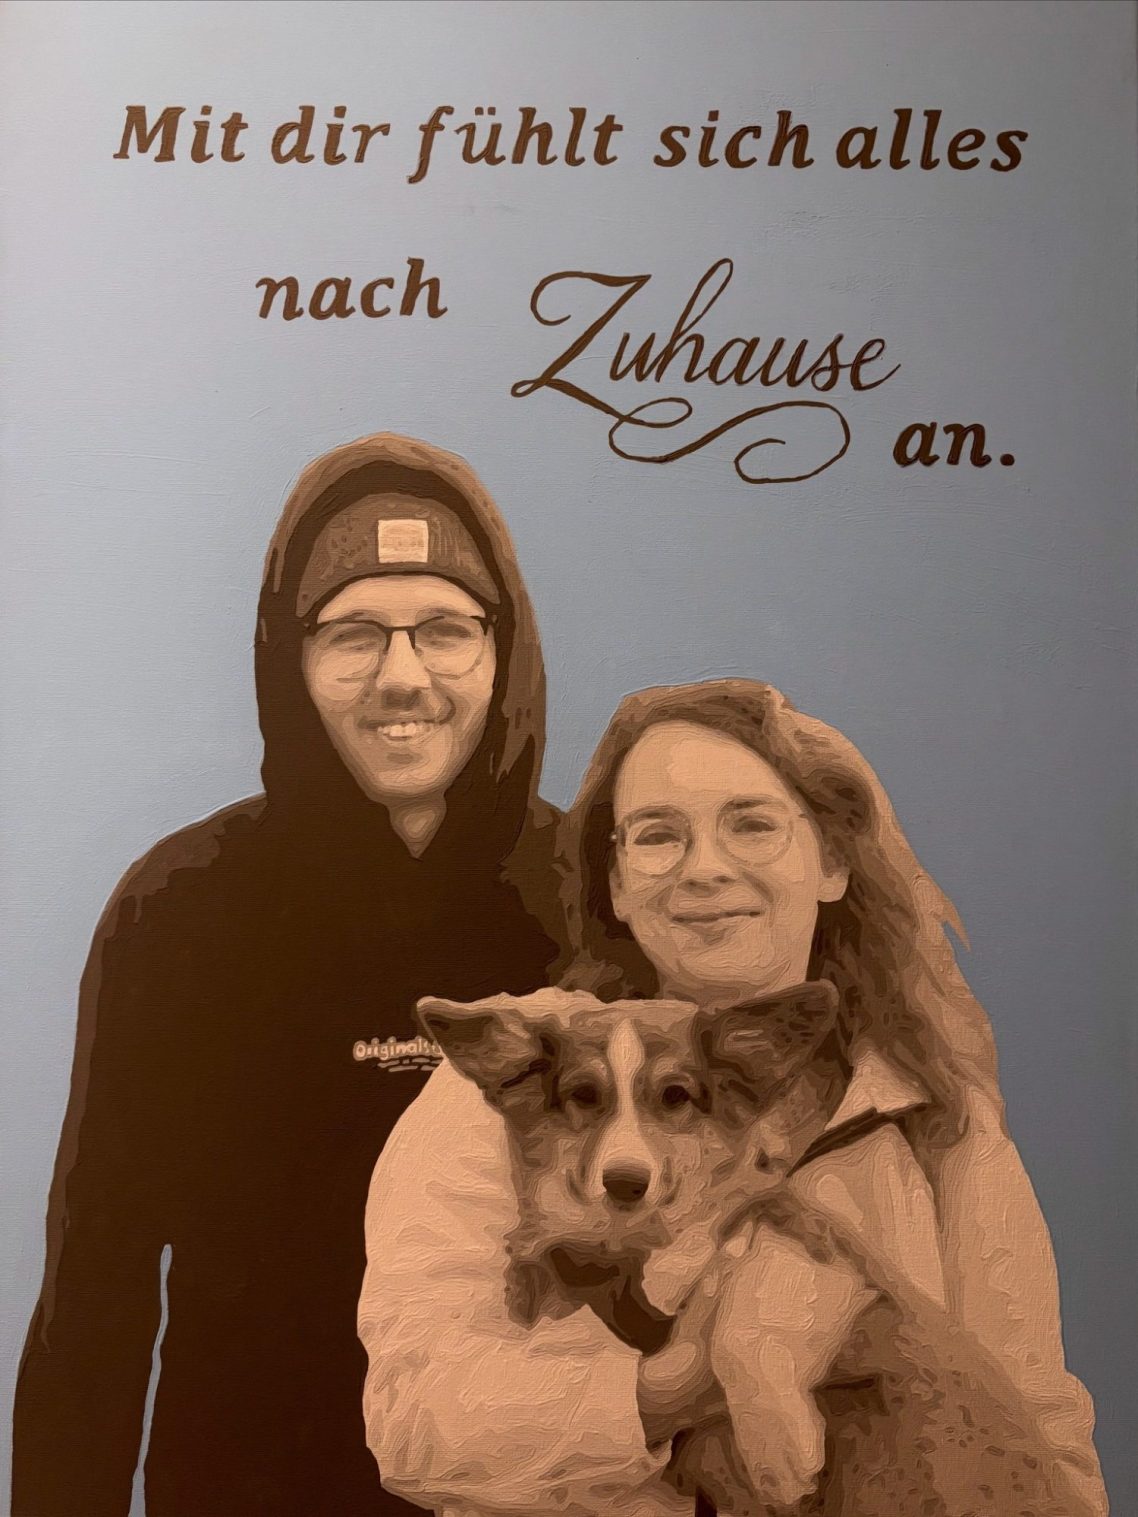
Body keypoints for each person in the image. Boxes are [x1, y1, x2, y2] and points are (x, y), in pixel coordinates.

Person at [358, 678, 1108, 1517]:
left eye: (751, 823)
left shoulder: (936, 1118)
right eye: (658, 835)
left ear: (832, 861)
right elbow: (415, 1423)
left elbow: (1039, 1423)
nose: (705, 867)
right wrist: (669, 1388)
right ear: (616, 882)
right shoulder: (510, 1085)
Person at [13, 433, 566, 1517]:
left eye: (446, 629)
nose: (402, 675)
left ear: (504, 656)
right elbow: (98, 1282)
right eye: (353, 633)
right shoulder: (180, 906)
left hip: (532, 1488)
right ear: (289, 660)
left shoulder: (588, 891)